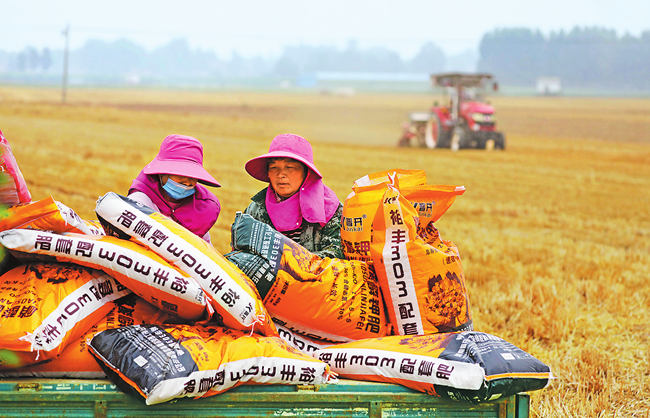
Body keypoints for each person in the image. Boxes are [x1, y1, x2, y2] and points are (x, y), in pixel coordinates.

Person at [243, 133, 343, 259]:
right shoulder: (255, 210)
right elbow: (240, 252)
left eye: (289, 167)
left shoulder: (330, 210)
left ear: (306, 172)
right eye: (274, 167)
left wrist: (285, 262)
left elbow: (335, 257)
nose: (281, 174)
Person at [128, 134, 221, 243]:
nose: (187, 182)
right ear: (162, 173)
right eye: (180, 174)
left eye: (193, 176)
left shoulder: (200, 211)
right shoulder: (140, 203)